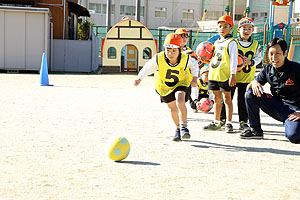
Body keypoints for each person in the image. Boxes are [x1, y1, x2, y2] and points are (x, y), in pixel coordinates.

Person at [134, 33, 199, 141]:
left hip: (180, 82)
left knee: (180, 99)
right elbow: (147, 67)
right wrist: (139, 78)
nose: (170, 53)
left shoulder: (186, 58)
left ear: (180, 49)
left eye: (174, 50)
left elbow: (195, 66)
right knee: (172, 108)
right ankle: (177, 129)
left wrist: (195, 78)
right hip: (164, 86)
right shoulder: (158, 58)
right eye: (168, 49)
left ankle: (184, 127)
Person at [240, 38, 300, 144]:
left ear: (285, 53)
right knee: (250, 94)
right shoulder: (268, 69)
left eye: (277, 53)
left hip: (295, 110)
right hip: (279, 108)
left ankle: (291, 125)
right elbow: (250, 86)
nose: (274, 58)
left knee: (293, 136)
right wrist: (254, 82)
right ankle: (256, 130)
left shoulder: (296, 69)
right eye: (271, 54)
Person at [220, 17, 262, 131]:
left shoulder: (256, 44)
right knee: (227, 98)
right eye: (244, 28)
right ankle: (222, 118)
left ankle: (243, 121)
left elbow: (259, 58)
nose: (246, 31)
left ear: (253, 30)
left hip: (246, 77)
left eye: (249, 28)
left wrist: (251, 62)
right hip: (233, 77)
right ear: (238, 29)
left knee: (243, 101)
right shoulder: (233, 42)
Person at [202, 15, 238, 133]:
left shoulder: (232, 42)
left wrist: (233, 74)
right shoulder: (216, 42)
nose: (222, 29)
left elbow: (233, 59)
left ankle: (229, 122)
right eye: (220, 26)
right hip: (214, 74)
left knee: (227, 99)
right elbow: (212, 59)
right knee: (217, 99)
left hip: (224, 74)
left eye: (225, 26)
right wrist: (206, 69)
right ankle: (217, 122)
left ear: (231, 28)